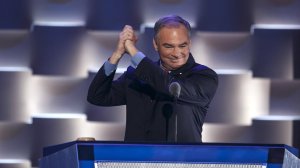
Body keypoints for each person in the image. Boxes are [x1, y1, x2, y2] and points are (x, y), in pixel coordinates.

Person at [87, 15, 218, 143]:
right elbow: (97, 96)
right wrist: (117, 54)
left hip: (181, 161)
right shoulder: (136, 75)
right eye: (169, 46)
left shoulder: (204, 76)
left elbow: (167, 85)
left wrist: (133, 51)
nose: (177, 53)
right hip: (138, 162)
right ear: (156, 45)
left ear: (189, 43)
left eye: (182, 46)